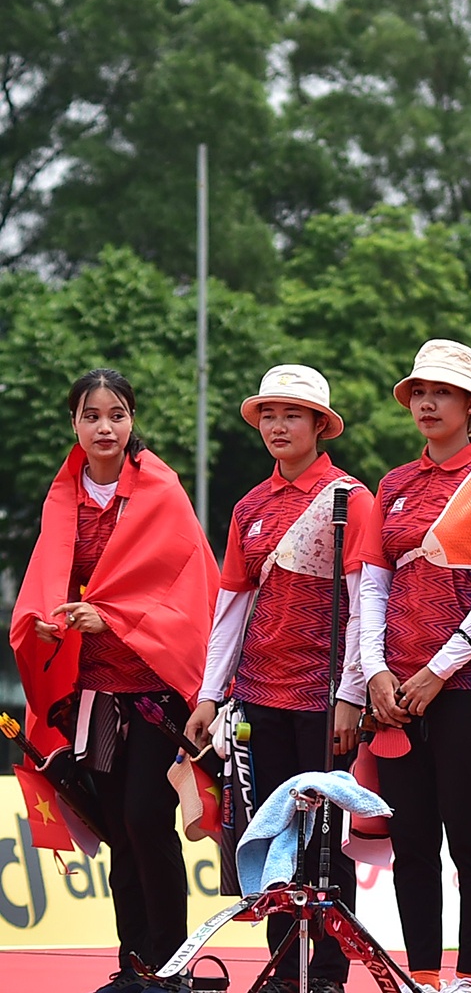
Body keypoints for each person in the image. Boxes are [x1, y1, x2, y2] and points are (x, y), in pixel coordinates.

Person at [8, 369, 218, 993]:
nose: (105, 426)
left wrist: (112, 616)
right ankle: (134, 967)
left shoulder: (161, 490)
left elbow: (185, 593)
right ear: (74, 423)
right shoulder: (63, 495)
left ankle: (172, 967)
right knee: (118, 826)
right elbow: (46, 581)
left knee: (146, 816)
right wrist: (46, 624)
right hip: (93, 691)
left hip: (155, 690)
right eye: (92, 415)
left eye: (117, 414)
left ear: (131, 422)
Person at [185, 364, 383, 993]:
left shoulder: (352, 498)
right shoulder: (250, 506)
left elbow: (364, 603)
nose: (277, 426)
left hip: (324, 701)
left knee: (324, 841)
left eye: (291, 415)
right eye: (268, 415)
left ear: (320, 426)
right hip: (256, 700)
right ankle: (280, 971)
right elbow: (230, 609)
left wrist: (353, 693)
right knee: (270, 835)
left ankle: (326, 974)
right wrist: (211, 694)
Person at [359, 339, 471, 993]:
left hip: (468, 690)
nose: (428, 403)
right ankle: (422, 978)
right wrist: (376, 671)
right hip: (394, 695)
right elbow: (372, 587)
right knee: (411, 849)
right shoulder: (394, 484)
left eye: (443, 393)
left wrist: (437, 671)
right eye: (419, 393)